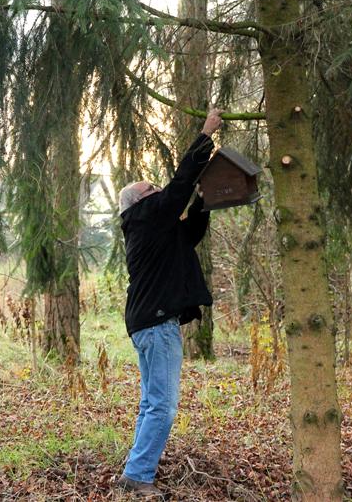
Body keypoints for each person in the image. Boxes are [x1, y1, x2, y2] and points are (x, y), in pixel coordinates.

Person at [114, 109, 223, 497]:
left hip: (148, 323)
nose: (159, 190)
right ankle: (138, 476)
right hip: (156, 325)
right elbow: (178, 187)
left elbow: (188, 234)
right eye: (152, 188)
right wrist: (205, 135)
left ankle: (135, 469)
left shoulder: (153, 229)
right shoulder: (144, 217)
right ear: (140, 201)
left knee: (150, 404)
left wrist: (202, 203)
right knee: (162, 406)